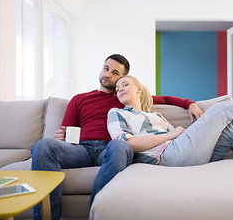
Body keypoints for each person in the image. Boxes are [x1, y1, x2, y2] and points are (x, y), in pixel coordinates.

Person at [31, 54, 203, 220]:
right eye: (106, 68)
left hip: (111, 148)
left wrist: (190, 104)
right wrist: (62, 135)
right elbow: (66, 131)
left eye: (115, 73)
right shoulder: (79, 99)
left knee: (120, 145)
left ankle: (96, 214)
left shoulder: (124, 96)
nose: (108, 74)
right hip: (81, 149)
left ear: (122, 78)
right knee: (43, 145)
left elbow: (165, 98)